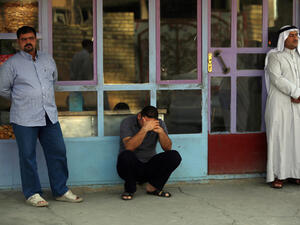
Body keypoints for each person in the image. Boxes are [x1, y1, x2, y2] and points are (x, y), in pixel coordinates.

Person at [0, 26, 83, 206]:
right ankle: (32, 193)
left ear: (36, 39)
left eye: (30, 38)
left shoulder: (47, 59)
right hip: (24, 118)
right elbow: (3, 89)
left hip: (48, 115)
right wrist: (22, 99)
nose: (27, 42)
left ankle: (60, 190)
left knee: (58, 151)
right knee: (27, 156)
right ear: (18, 42)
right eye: (24, 39)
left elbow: (52, 81)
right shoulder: (11, 64)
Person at [117, 105, 182, 200]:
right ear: (139, 116)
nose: (148, 124)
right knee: (126, 155)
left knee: (174, 155)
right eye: (146, 121)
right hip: (130, 168)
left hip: (149, 166)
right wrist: (144, 129)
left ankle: (153, 187)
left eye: (150, 123)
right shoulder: (127, 122)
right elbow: (129, 147)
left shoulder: (159, 123)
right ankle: (129, 190)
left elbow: (167, 148)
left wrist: (161, 132)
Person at [265, 25, 300, 188]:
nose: (295, 38)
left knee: (296, 138)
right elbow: (277, 79)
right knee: (279, 138)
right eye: (291, 35)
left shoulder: (299, 57)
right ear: (283, 38)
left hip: (297, 103)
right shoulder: (274, 57)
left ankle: (295, 173)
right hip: (279, 103)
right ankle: (278, 175)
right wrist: (296, 93)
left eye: (296, 35)